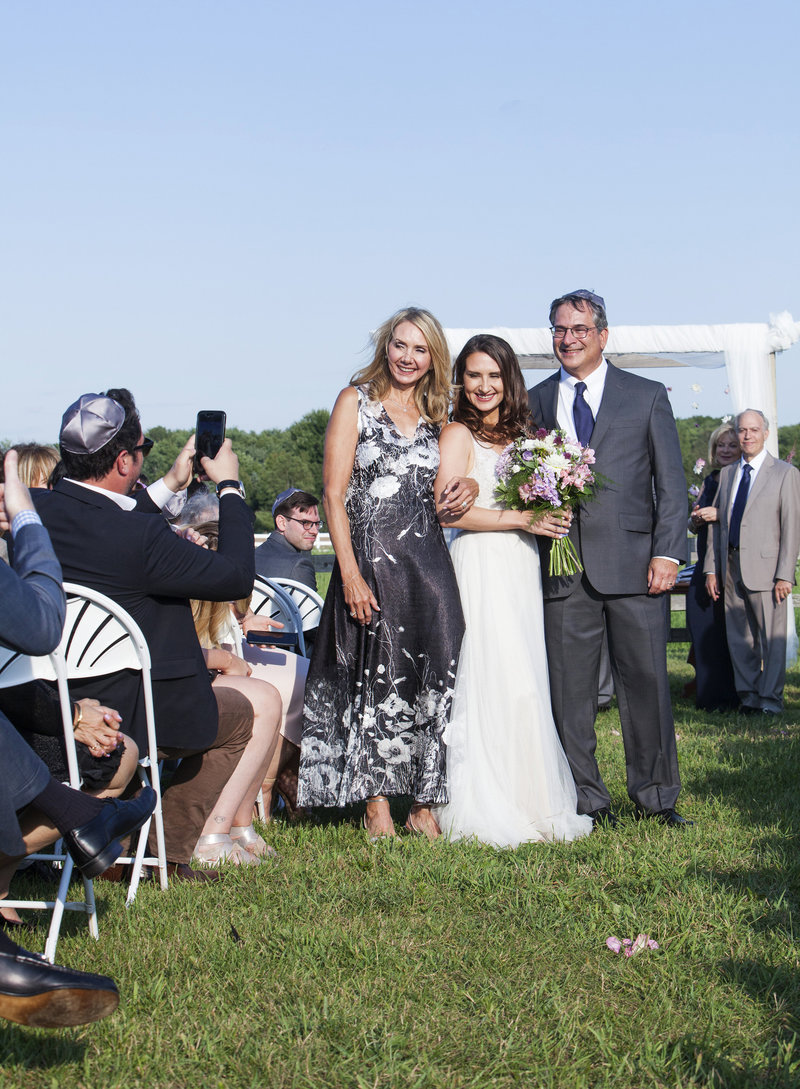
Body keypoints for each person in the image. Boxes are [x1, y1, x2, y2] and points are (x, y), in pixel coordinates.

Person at [33, 390, 257, 880]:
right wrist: (231, 488)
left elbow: (107, 513)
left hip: (45, 701)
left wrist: (171, 482)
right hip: (134, 708)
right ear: (123, 460)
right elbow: (237, 576)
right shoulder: (143, 538)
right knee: (239, 715)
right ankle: (163, 853)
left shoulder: (32, 514)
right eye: (140, 452)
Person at [298, 306, 475, 841]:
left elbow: (446, 496)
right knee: (374, 675)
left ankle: (423, 802)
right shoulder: (355, 402)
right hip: (370, 564)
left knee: (438, 672)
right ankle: (376, 804)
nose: (408, 357)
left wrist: (468, 488)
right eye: (401, 345)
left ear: (433, 358)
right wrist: (348, 573)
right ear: (386, 345)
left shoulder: (437, 419)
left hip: (429, 568)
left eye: (420, 349)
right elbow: (333, 495)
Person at [528, 290, 689, 828]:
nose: (567, 339)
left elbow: (671, 483)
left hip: (637, 567)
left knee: (646, 686)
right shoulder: (532, 401)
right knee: (570, 695)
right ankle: (586, 801)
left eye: (578, 329)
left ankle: (657, 797)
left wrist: (668, 552)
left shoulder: (644, 396)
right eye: (558, 330)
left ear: (602, 335)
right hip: (562, 569)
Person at [432, 334, 593, 846]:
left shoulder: (526, 436)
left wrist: (553, 510)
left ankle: (533, 798)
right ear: (462, 380)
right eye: (474, 376)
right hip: (479, 562)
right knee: (490, 675)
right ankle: (479, 799)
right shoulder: (457, 433)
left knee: (525, 676)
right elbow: (448, 510)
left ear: (509, 380)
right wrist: (523, 517)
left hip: (522, 565)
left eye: (494, 376)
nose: (484, 386)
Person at [705, 409, 800, 714]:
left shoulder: (785, 473)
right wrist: (711, 568)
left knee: (771, 639)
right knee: (739, 637)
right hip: (731, 567)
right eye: (742, 430)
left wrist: (785, 574)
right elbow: (718, 524)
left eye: (753, 430)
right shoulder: (729, 473)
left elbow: (792, 527)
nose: (747, 436)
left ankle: (770, 700)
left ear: (766, 433)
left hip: (769, 571)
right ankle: (748, 697)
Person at [685, 423, 740, 711]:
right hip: (703, 565)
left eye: (732, 445)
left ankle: (729, 697)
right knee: (701, 624)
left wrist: (720, 514)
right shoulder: (710, 479)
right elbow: (695, 524)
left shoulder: (739, 480)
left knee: (724, 631)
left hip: (727, 566)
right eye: (721, 445)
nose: (726, 450)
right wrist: (695, 520)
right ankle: (707, 695)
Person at [255, 488, 321, 591]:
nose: (315, 531)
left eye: (317, 524)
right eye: (305, 523)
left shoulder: (250, 558)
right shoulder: (299, 566)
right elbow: (310, 607)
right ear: (282, 522)